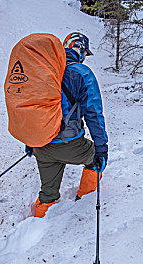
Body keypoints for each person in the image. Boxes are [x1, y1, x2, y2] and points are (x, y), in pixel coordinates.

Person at [26, 32, 108, 218]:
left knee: (47, 193)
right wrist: (102, 150)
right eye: (85, 53)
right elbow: (94, 114)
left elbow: (31, 108)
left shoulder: (44, 69)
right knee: (95, 160)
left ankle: (38, 221)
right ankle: (85, 199)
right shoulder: (81, 73)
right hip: (70, 145)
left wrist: (30, 141)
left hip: (41, 146)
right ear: (80, 50)